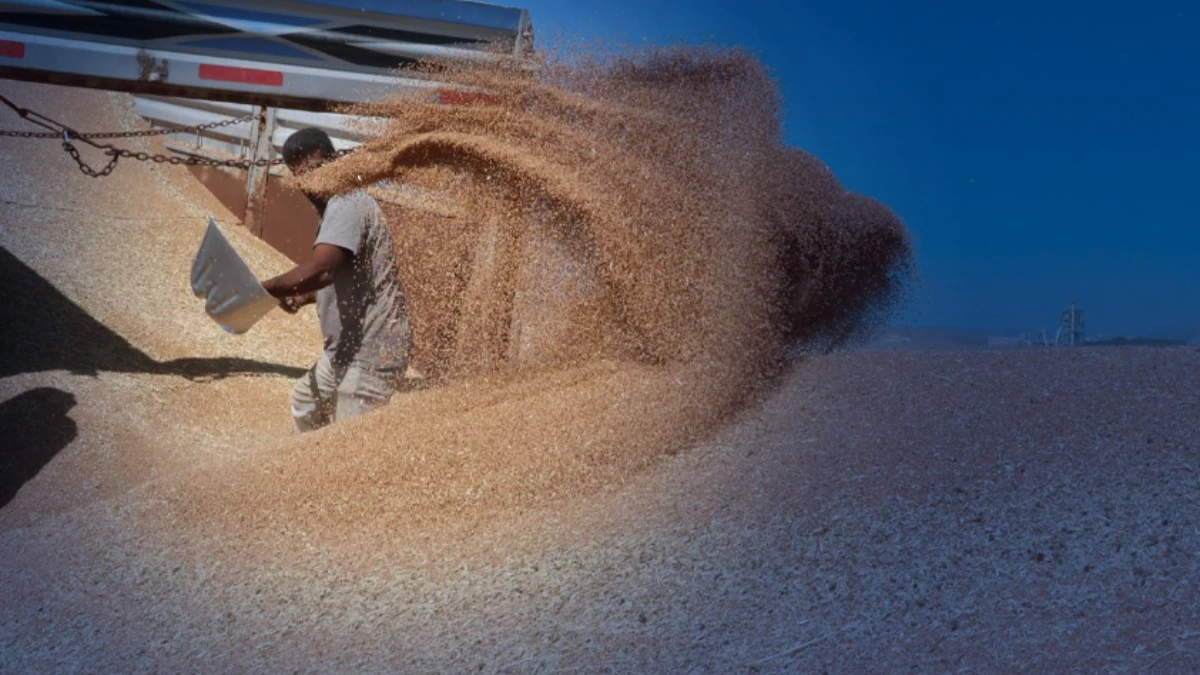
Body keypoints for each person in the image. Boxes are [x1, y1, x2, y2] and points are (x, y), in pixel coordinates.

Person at [262, 127, 410, 433]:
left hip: (369, 353)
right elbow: (347, 275)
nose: (312, 184)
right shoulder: (339, 206)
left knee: (349, 445)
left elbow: (324, 269)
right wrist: (304, 296)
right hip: (344, 351)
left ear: (336, 162)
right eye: (302, 177)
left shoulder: (346, 203)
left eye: (317, 170)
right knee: (305, 400)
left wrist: (262, 288)